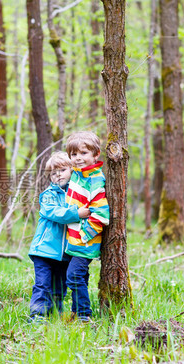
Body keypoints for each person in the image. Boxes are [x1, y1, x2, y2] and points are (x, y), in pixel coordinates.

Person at [27, 152, 90, 321]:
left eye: (62, 170)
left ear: (71, 170)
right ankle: (37, 315)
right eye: (53, 173)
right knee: (42, 284)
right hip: (44, 250)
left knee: (59, 286)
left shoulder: (76, 194)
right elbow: (56, 213)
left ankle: (55, 313)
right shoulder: (48, 195)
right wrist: (77, 213)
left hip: (65, 252)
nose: (58, 175)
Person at [64, 131, 110, 322]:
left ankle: (84, 315)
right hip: (73, 241)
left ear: (96, 154)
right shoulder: (77, 175)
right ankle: (76, 311)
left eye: (83, 153)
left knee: (73, 276)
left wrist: (84, 235)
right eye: (74, 155)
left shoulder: (94, 180)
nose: (78, 158)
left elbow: (101, 214)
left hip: (85, 242)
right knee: (79, 278)